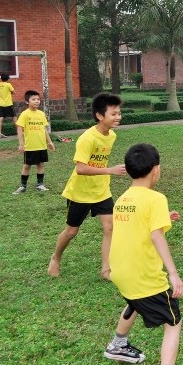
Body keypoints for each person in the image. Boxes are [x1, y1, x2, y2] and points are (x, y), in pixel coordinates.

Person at [103, 143, 183, 365]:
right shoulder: (155, 198)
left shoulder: (123, 199)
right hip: (145, 276)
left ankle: (118, 344)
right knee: (173, 322)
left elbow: (139, 226)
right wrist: (173, 274)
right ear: (156, 170)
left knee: (133, 302)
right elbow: (155, 236)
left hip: (121, 271)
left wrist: (166, 218)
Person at [47, 93, 125, 278]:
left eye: (119, 113)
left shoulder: (111, 135)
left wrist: (106, 173)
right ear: (100, 116)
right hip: (80, 192)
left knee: (110, 227)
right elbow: (81, 168)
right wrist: (110, 171)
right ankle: (56, 257)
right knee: (71, 231)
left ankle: (106, 269)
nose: (118, 117)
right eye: (113, 114)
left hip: (101, 190)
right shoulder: (87, 138)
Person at [13, 90, 55, 194]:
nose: (36, 101)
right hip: (30, 146)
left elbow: (44, 129)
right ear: (27, 102)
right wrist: (21, 144)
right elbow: (19, 129)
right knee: (27, 165)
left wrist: (49, 142)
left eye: (38, 99)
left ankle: (40, 184)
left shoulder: (41, 114)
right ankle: (23, 186)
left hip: (41, 145)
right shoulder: (25, 114)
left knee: (41, 164)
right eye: (33, 99)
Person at [0, 72, 15, 138]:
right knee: (14, 117)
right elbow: (14, 92)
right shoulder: (8, 85)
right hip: (8, 104)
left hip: (1, 104)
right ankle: (20, 132)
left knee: (0, 118)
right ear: (8, 78)